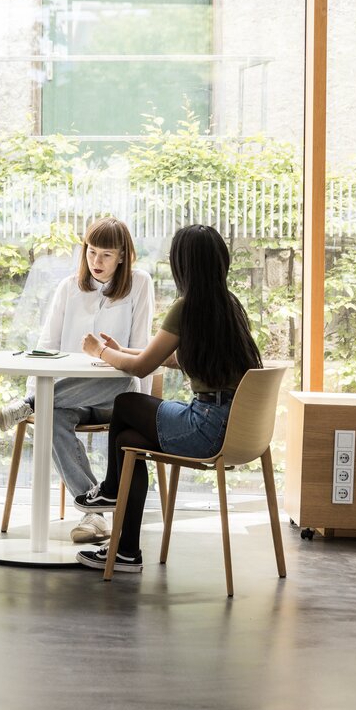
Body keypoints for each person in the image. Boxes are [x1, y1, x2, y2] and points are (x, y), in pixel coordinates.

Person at [73, 224, 262, 573]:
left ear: (182, 264)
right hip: (235, 427)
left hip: (205, 428)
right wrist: (120, 350)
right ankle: (126, 551)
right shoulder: (228, 306)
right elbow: (175, 356)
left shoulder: (186, 307)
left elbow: (142, 368)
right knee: (128, 440)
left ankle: (111, 491)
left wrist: (99, 349)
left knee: (127, 404)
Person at [0, 217, 154, 543]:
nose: (97, 261)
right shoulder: (69, 287)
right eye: (91, 252)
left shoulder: (140, 284)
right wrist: (39, 391)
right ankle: (93, 510)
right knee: (50, 419)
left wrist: (144, 414)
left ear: (123, 255)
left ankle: (28, 405)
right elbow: (46, 346)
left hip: (117, 396)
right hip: (70, 398)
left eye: (106, 255)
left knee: (125, 383)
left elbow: (141, 354)